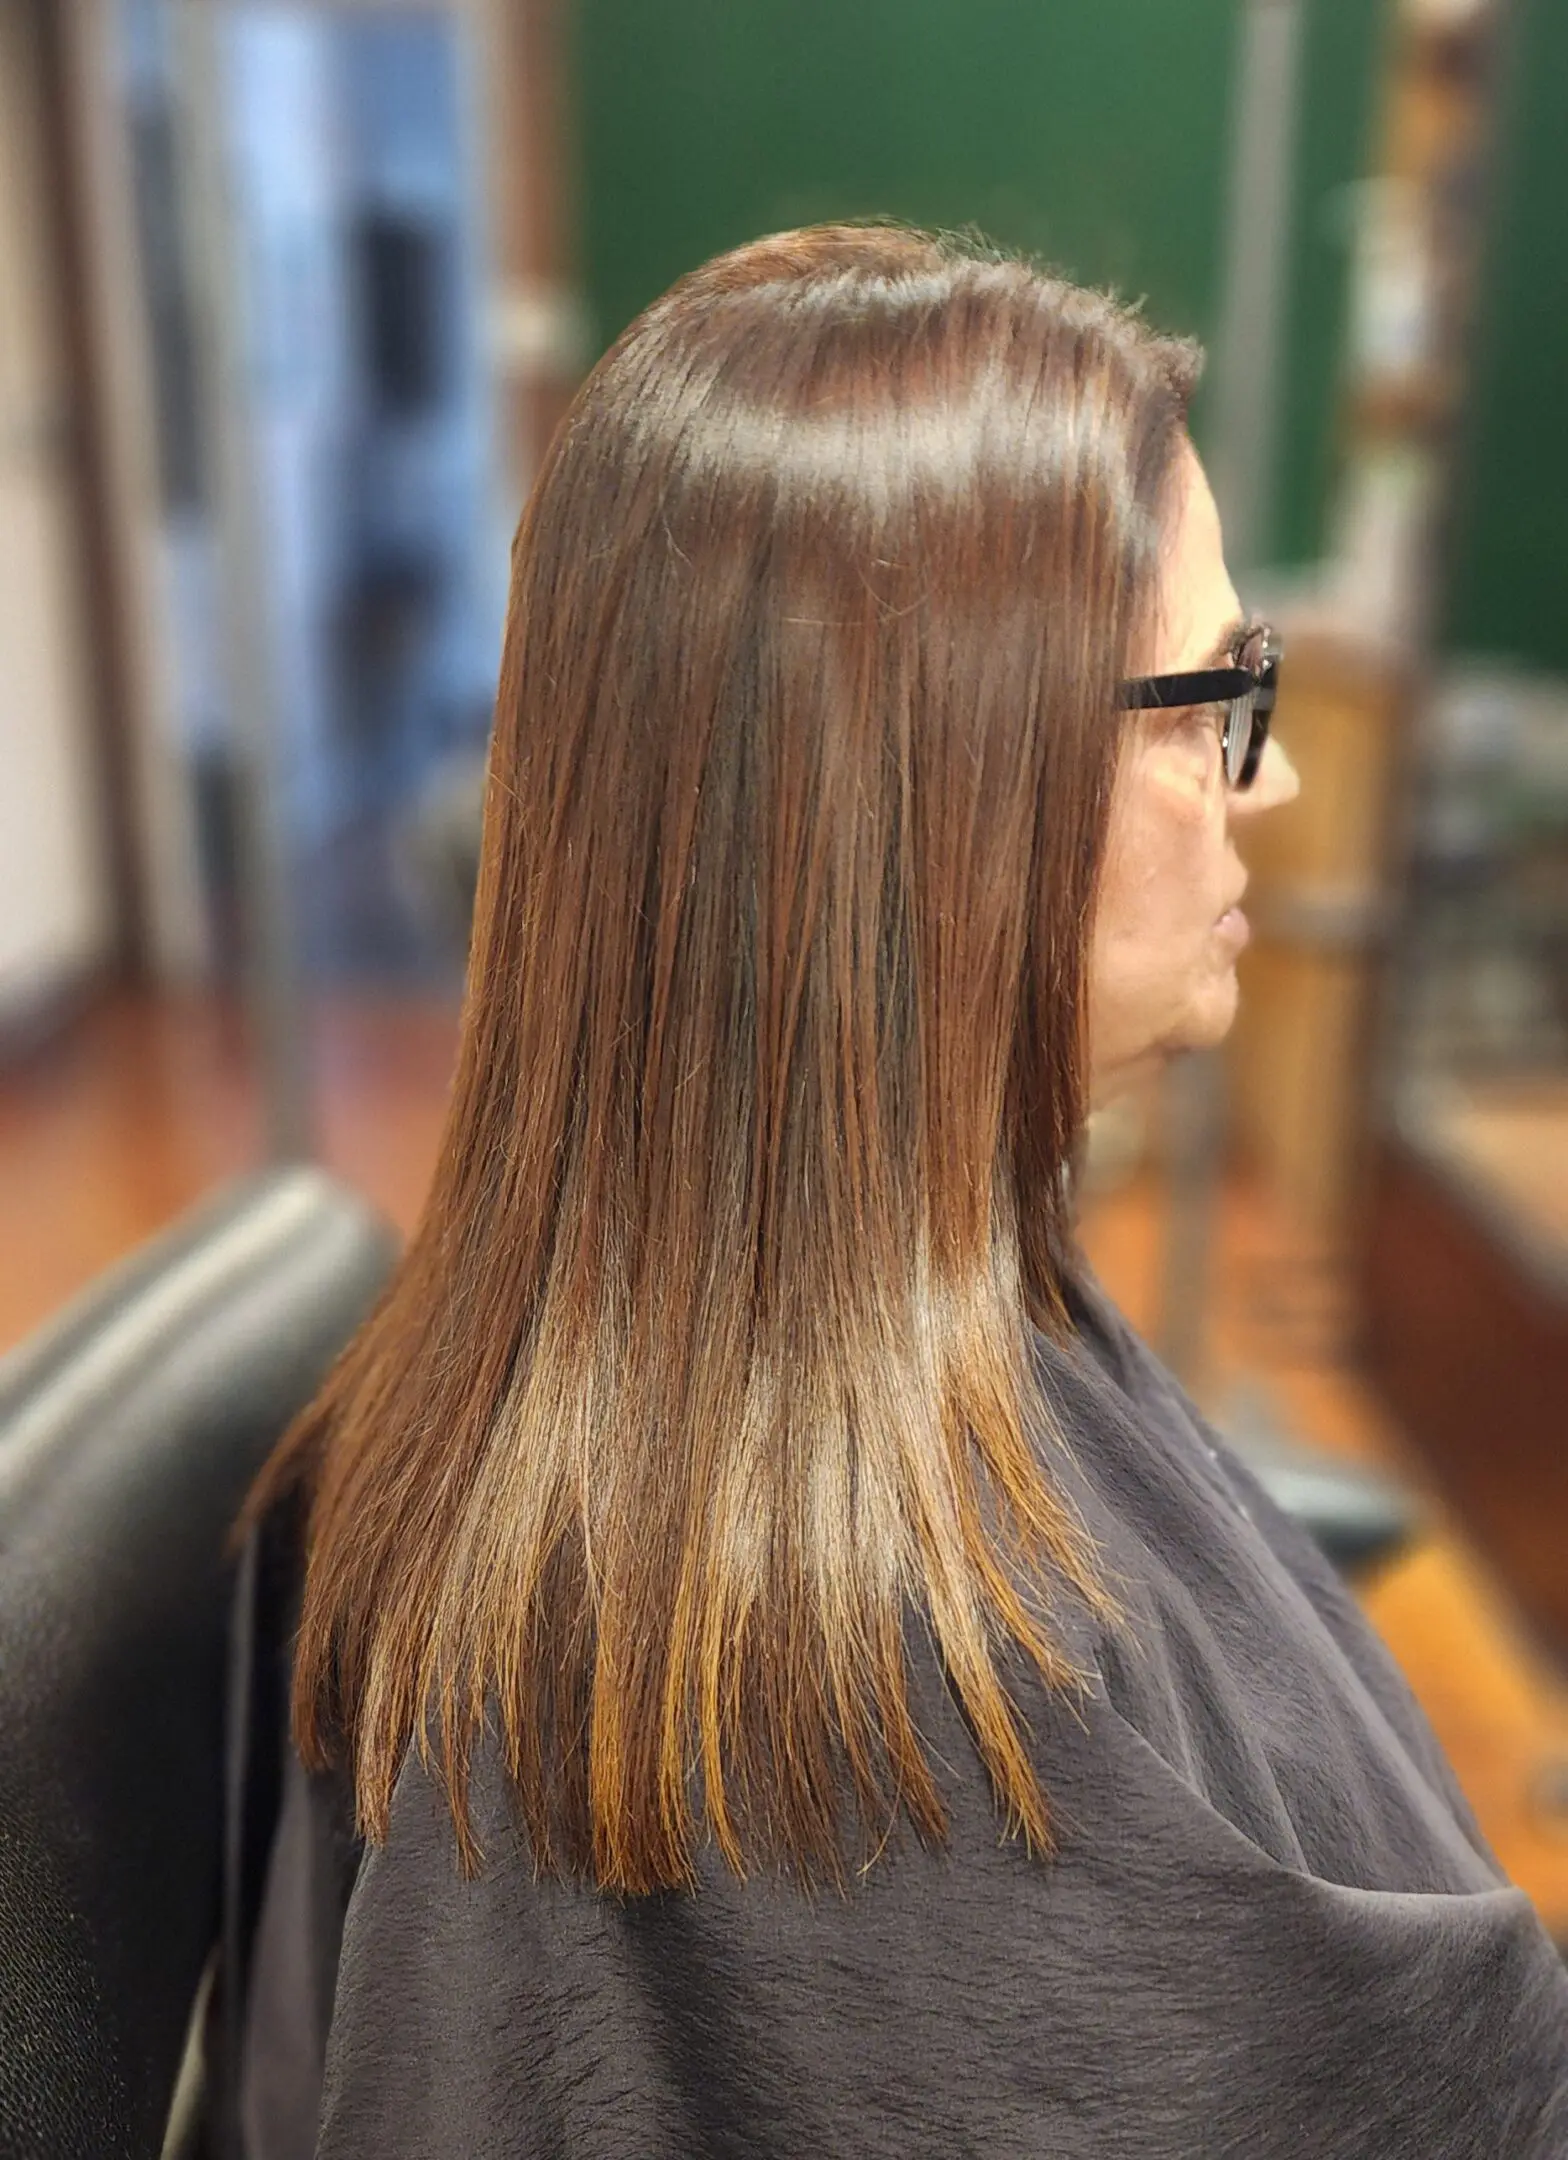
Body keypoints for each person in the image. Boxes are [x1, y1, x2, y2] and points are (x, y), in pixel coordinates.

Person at [228, 223, 1568, 2157]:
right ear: (938, 783)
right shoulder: (854, 1680)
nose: (1261, 784)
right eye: (1209, 699)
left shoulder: (803, 1329)